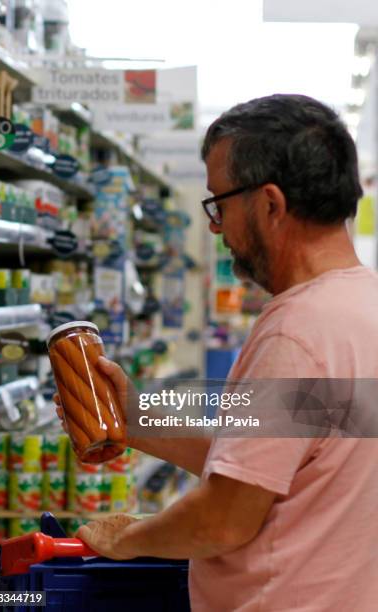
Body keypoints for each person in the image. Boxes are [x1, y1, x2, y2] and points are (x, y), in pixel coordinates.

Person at [55, 94, 378, 611]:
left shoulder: (296, 333)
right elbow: (271, 467)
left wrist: (126, 536)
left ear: (270, 204)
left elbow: (223, 519)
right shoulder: (362, 305)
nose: (215, 227)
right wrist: (138, 422)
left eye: (219, 204)